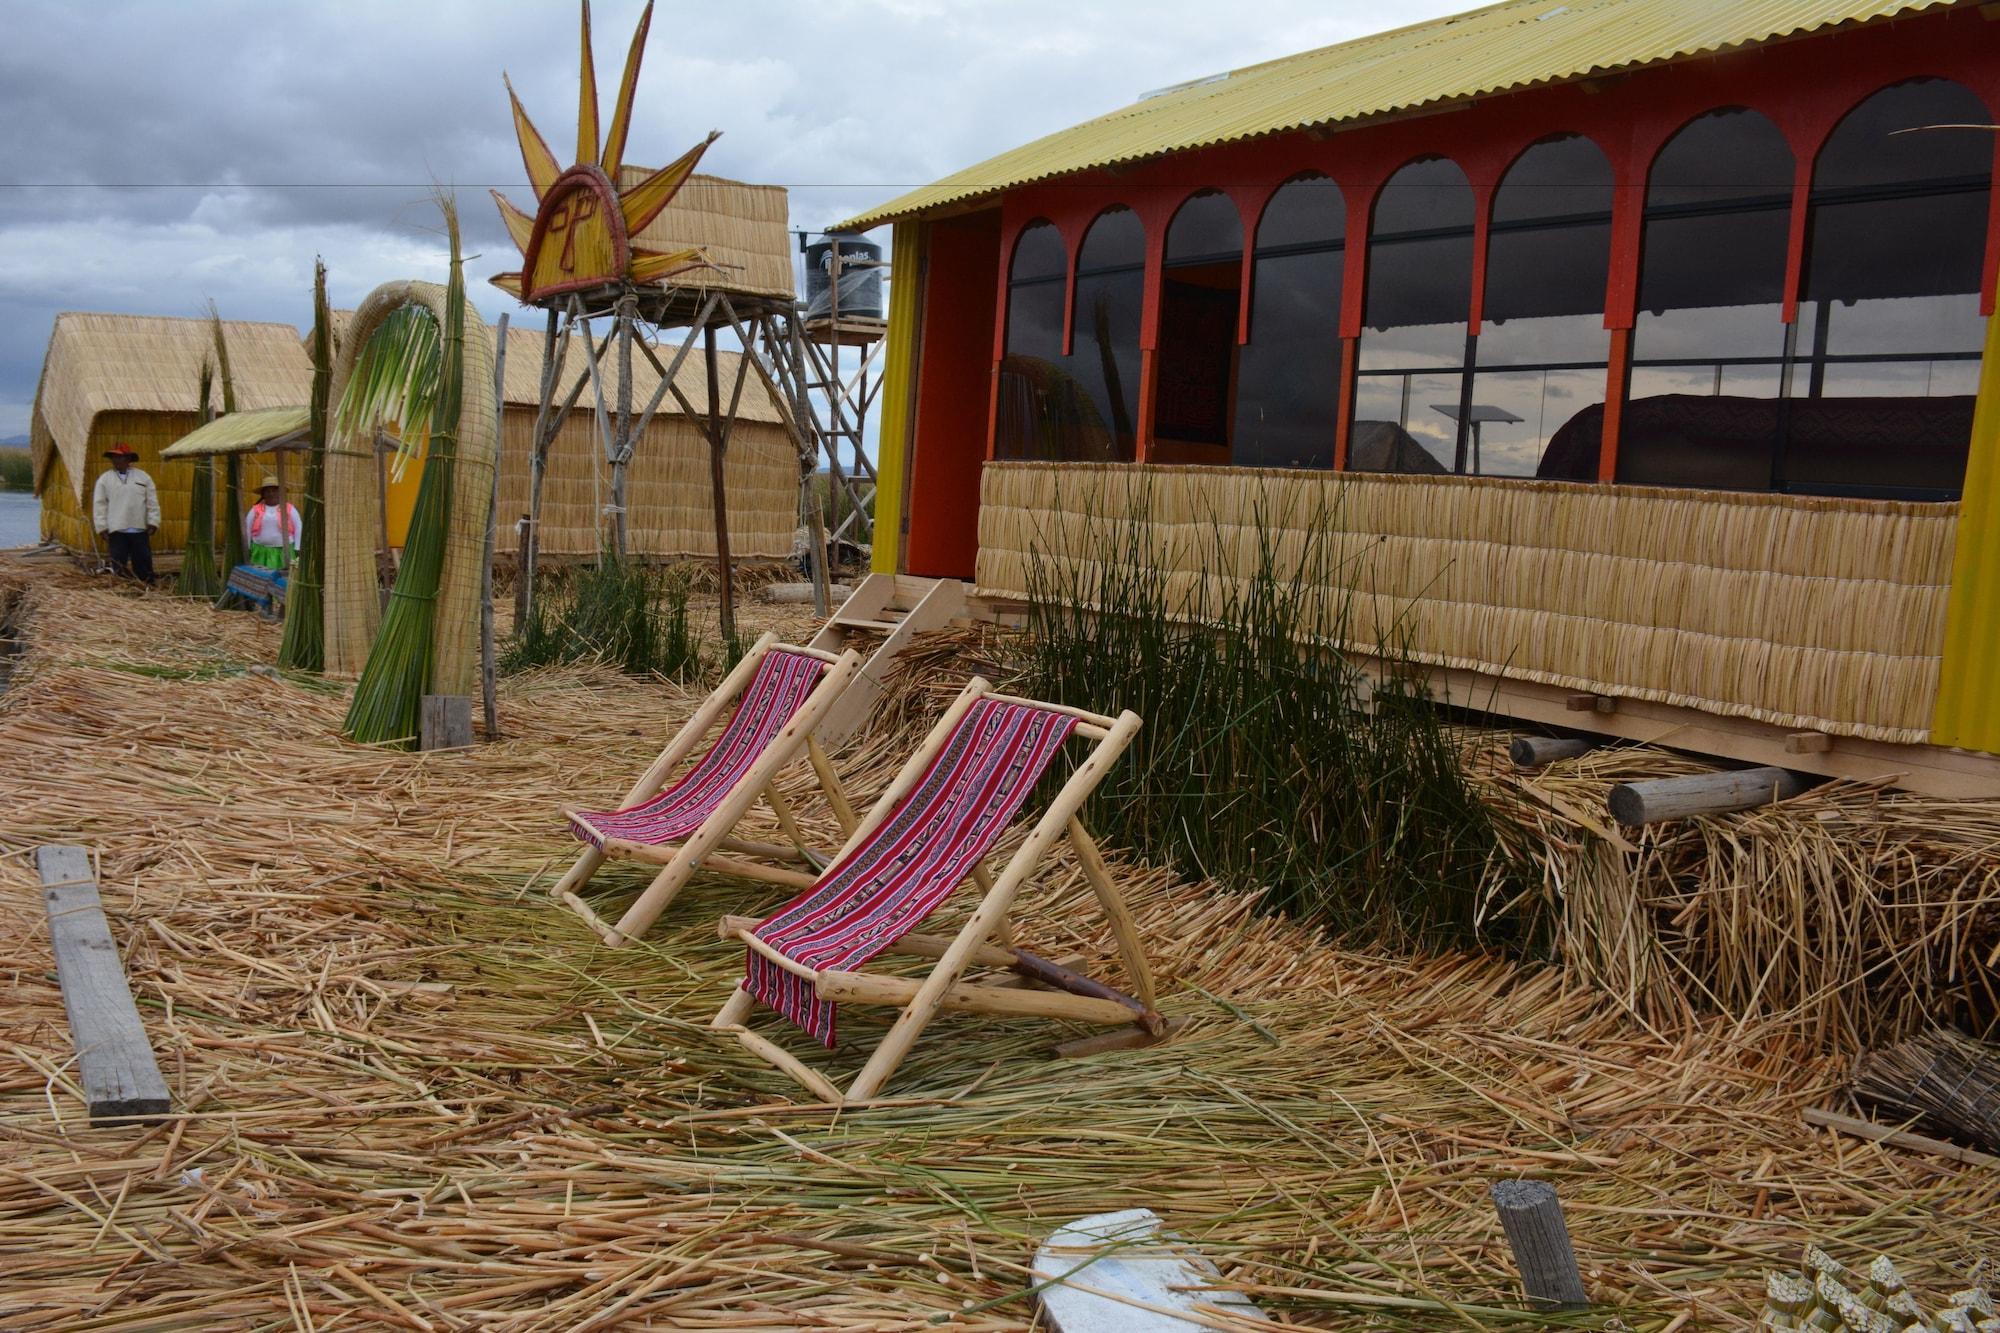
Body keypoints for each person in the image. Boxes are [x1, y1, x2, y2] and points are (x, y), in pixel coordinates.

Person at [92, 443, 160, 583]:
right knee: (118, 562)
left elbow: (152, 501)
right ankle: (122, 589)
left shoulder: (143, 477)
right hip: (117, 529)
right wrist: (102, 527)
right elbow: (99, 504)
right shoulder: (105, 479)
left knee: (143, 562)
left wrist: (153, 521)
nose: (116, 461)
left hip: (139, 528)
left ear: (128, 459)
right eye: (114, 457)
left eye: (120, 457)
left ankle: (147, 588)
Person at [244, 475, 301, 570]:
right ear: (263, 494)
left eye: (274, 490)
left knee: (282, 577)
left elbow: (299, 527)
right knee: (261, 576)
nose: (271, 494)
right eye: (268, 491)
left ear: (280, 493)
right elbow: (247, 528)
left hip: (283, 551)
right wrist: (248, 547)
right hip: (260, 551)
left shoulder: (289, 508)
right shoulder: (256, 509)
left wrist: (297, 547)